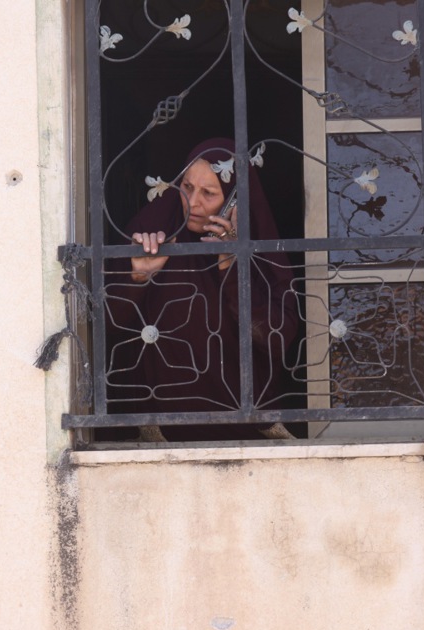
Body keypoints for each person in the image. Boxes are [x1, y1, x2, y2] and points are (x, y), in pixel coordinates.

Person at [104, 138, 299, 441]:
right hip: (162, 426)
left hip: (243, 426)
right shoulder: (153, 229)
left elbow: (275, 336)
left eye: (208, 193)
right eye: (187, 187)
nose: (193, 202)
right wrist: (138, 277)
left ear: (236, 199)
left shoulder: (259, 244)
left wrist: (231, 263)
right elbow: (106, 327)